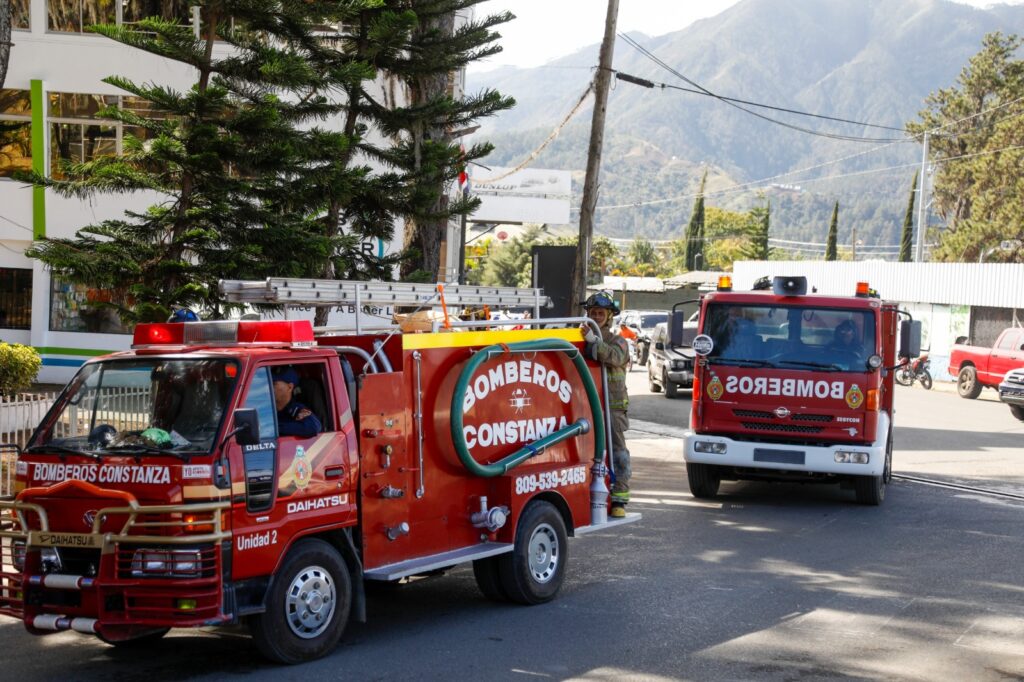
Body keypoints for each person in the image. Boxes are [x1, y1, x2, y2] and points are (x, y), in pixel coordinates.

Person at [580, 292, 631, 518]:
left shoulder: (618, 341)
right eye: (594, 313)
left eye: (601, 313)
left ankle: (619, 499)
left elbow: (615, 357)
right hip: (590, 407)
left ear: (609, 316)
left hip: (613, 407)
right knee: (591, 453)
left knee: (617, 452)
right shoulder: (582, 338)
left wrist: (595, 343)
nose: (597, 316)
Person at [273, 367, 322, 437]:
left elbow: (314, 427)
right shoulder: (266, 408)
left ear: (290, 387)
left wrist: (275, 428)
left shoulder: (295, 409)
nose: (268, 387)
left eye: (274, 384)